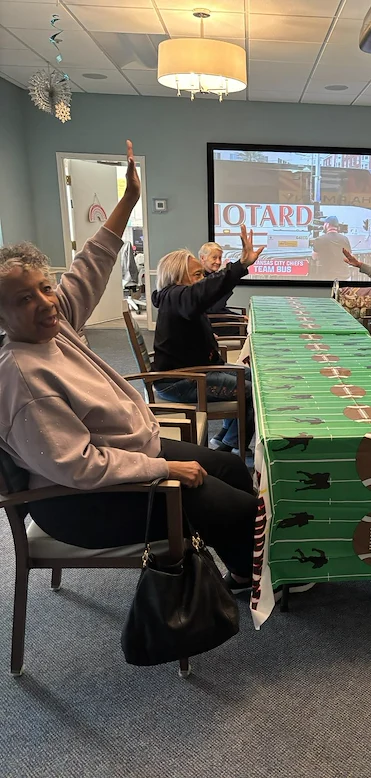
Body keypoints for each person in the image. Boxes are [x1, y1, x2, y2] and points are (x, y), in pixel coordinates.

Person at [0, 140, 258, 593]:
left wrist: (128, 200)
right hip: (83, 503)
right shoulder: (22, 377)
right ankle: (246, 575)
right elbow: (77, 467)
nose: (46, 302)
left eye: (45, 288)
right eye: (25, 298)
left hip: (126, 460)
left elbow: (90, 266)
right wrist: (162, 470)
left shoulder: (49, 326)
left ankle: (243, 561)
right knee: (233, 507)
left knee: (231, 469)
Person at [152, 227, 263, 454]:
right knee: (252, 391)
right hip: (181, 380)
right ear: (177, 277)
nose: (202, 279)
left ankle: (224, 438)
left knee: (257, 378)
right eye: (197, 275)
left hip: (194, 370)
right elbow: (203, 292)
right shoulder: (176, 295)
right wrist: (240, 265)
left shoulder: (175, 298)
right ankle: (232, 448)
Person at [199, 241, 245, 336]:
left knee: (250, 324)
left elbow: (221, 308)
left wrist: (239, 317)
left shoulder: (213, 276)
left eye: (220, 258)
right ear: (203, 258)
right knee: (250, 329)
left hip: (219, 318)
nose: (218, 262)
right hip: (213, 325)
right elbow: (213, 309)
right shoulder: (200, 280)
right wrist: (226, 285)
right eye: (214, 258)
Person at [312, 215, 351, 280]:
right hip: (345, 276)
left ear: (327, 225)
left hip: (328, 277)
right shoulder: (345, 239)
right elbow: (350, 256)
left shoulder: (319, 239)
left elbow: (314, 257)